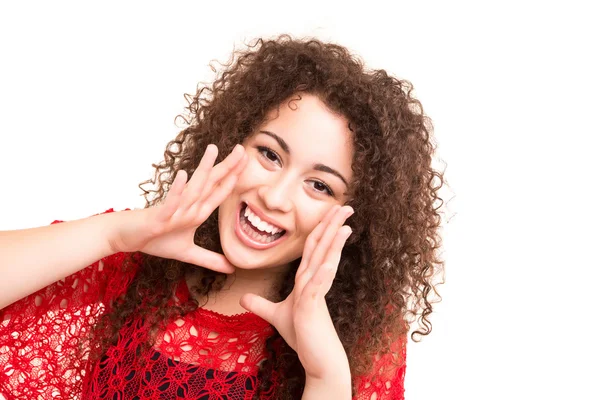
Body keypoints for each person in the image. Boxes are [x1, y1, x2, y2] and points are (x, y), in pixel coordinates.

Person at [0, 35, 445, 400]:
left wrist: (325, 375)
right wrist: (115, 234)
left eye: (320, 186)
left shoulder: (363, 338)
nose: (275, 196)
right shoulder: (135, 259)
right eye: (269, 154)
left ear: (357, 219)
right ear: (234, 141)